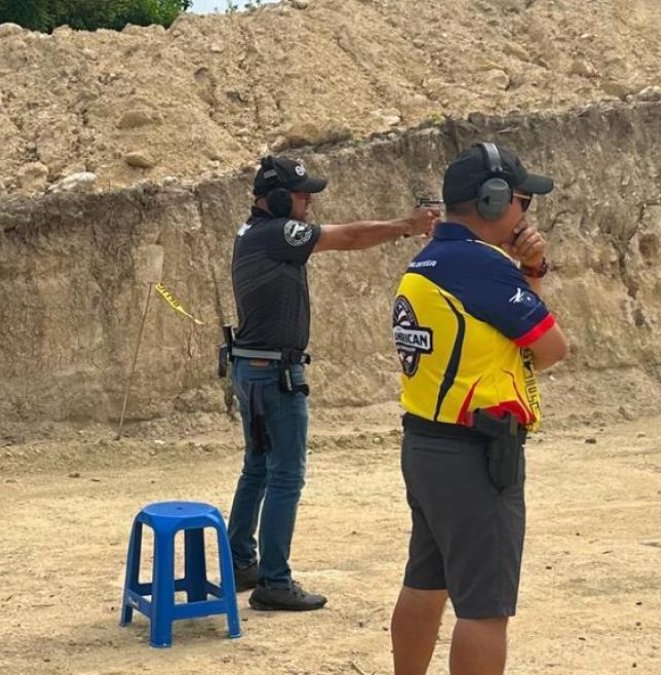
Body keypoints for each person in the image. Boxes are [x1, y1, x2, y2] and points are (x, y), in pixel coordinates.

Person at [226, 155, 439, 611]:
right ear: (280, 198)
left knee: (259, 467)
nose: (308, 203)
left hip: (254, 368)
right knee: (286, 475)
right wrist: (407, 225)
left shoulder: (253, 233)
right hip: (274, 373)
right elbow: (351, 237)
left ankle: (241, 561)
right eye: (303, 195)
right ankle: (274, 581)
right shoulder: (278, 232)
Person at [388, 142, 568, 674]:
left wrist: (526, 271)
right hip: (477, 453)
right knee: (485, 609)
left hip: (427, 443)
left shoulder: (427, 261)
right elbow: (550, 347)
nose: (525, 212)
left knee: (426, 581)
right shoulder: (480, 267)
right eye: (521, 200)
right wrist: (531, 270)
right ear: (493, 202)